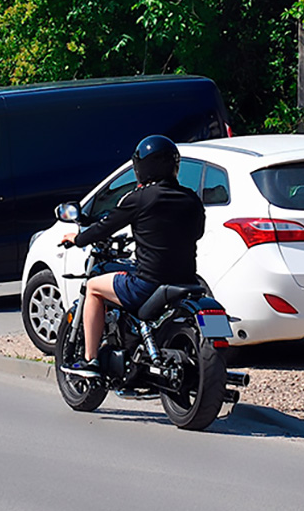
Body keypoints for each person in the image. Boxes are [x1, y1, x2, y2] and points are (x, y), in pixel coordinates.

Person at [60, 135, 206, 377]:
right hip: (187, 280)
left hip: (148, 284)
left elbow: (105, 227)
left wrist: (77, 239)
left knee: (94, 287)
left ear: (141, 168)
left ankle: (91, 360)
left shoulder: (139, 198)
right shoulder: (191, 198)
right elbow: (197, 232)